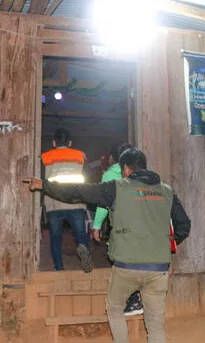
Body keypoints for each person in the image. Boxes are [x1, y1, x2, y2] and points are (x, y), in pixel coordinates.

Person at [25, 147, 191, 343]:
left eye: (123, 170)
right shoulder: (167, 191)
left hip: (126, 267)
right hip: (158, 268)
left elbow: (77, 192)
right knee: (155, 324)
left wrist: (44, 185)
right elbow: (184, 225)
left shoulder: (116, 188)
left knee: (114, 308)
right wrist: (168, 243)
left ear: (127, 169)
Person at [92, 142, 144, 316]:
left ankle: (132, 300)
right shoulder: (144, 175)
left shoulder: (109, 175)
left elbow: (102, 203)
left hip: (122, 224)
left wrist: (97, 225)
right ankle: (136, 298)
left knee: (121, 260)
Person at [41, 128, 92, 272]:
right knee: (80, 234)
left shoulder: (45, 157)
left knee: (55, 237)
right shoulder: (80, 156)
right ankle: (82, 246)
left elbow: (42, 180)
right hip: (75, 201)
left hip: (54, 203)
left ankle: (59, 267)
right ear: (69, 142)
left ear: (53, 142)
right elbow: (88, 178)